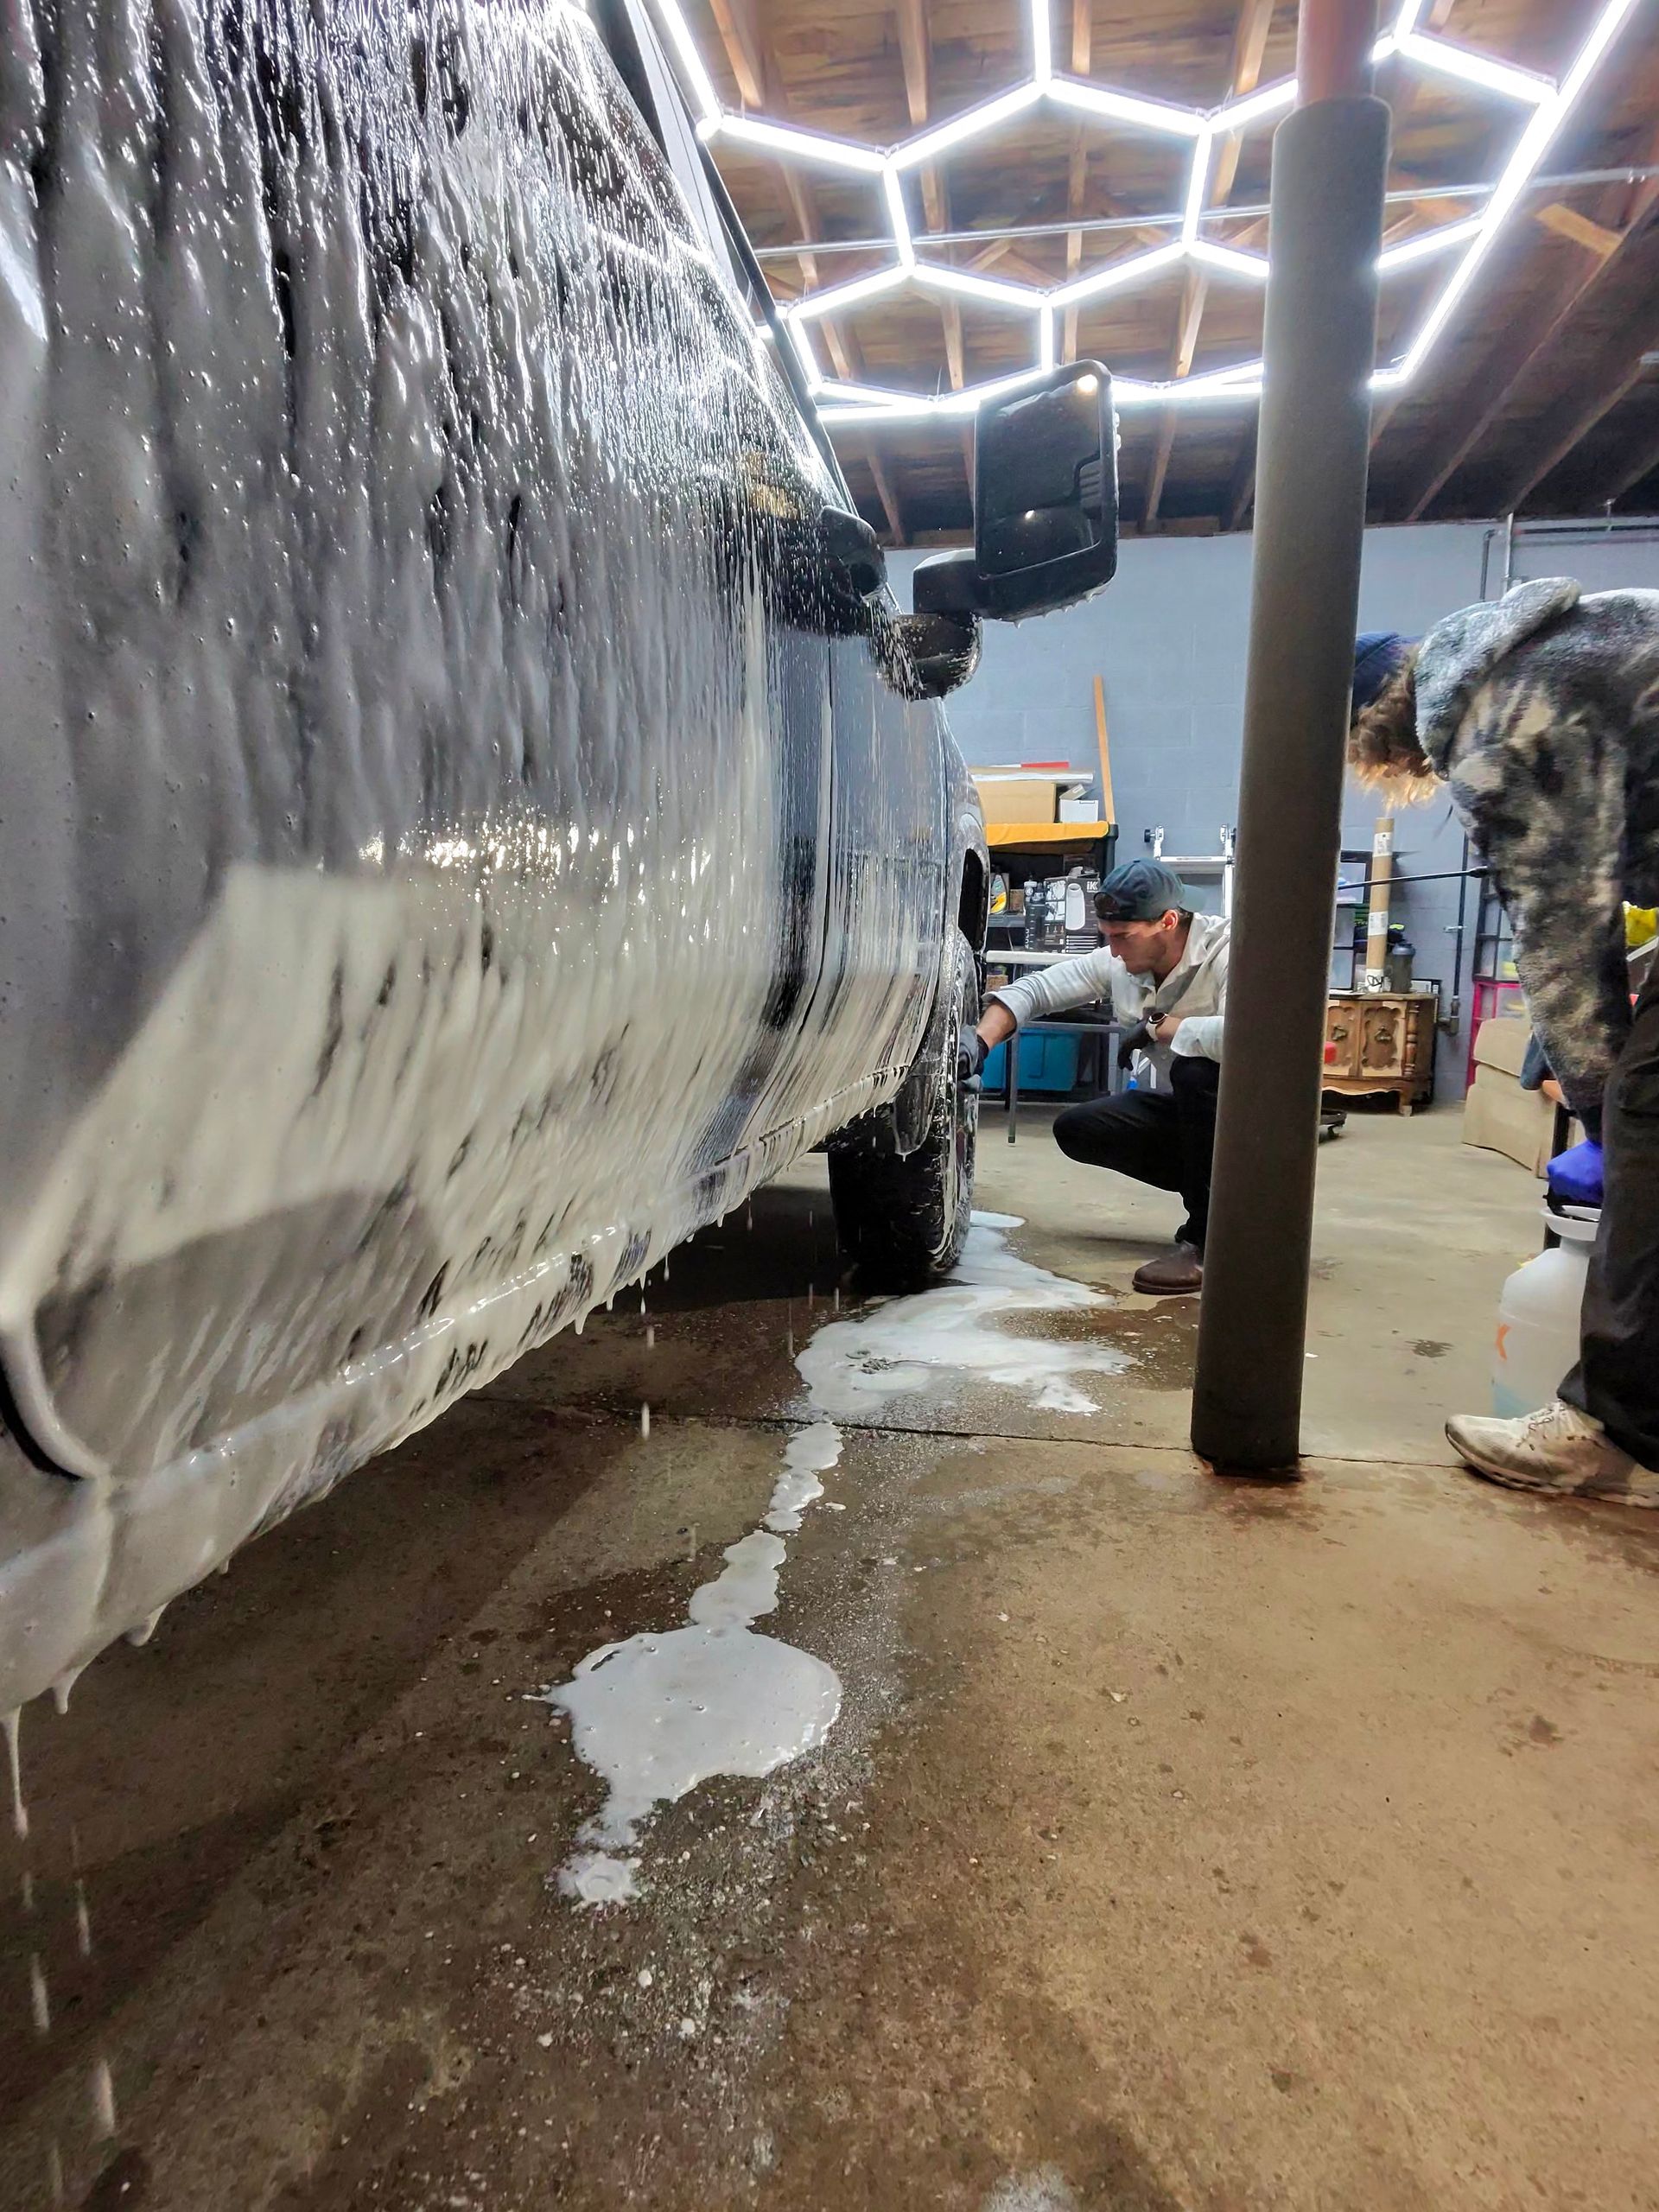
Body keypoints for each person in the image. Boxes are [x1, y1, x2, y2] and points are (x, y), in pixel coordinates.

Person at [1349, 579, 1659, 1504]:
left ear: (1378, 730)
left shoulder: (1500, 728)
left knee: (1650, 1106)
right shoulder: (1550, 645)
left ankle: (1611, 1430)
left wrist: (1602, 1108)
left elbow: (1563, 941)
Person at [963, 859, 1228, 1295]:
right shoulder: (1121, 962)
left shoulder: (1229, 951)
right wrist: (979, 1043)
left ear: (1168, 920)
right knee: (1080, 1128)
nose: (1116, 950)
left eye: (1124, 937)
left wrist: (1164, 1026)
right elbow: (1035, 990)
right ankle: (1233, 1201)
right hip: (1202, 1124)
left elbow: (1257, 1036)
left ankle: (1208, 1241)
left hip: (1255, 1125)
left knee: (1195, 1070)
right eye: (1109, 938)